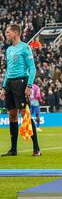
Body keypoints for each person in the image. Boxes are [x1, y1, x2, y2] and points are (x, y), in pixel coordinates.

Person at [0, 24, 41, 156]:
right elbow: (8, 70)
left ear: (15, 33)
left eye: (8, 32)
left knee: (25, 114)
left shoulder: (25, 47)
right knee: (12, 115)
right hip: (10, 84)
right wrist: (3, 87)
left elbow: (33, 68)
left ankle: (36, 148)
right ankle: (13, 149)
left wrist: (29, 86)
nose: (6, 34)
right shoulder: (9, 50)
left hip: (21, 82)